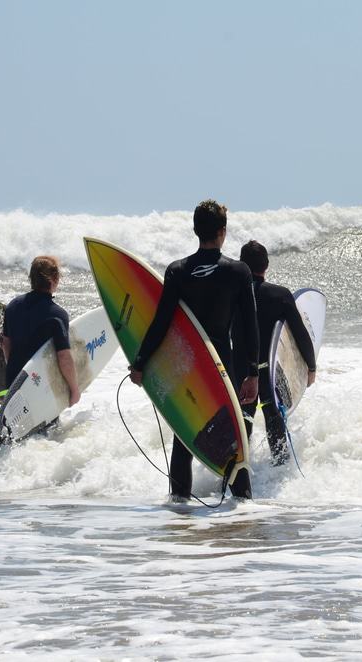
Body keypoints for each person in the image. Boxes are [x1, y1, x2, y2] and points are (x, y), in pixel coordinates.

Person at [129, 200, 259, 501]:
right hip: (222, 367)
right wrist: (252, 373)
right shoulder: (238, 272)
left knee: (183, 438)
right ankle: (243, 510)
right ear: (222, 232)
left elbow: (161, 324)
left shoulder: (177, 271)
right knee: (232, 443)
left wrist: (140, 362)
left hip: (188, 368)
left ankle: (180, 509)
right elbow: (249, 327)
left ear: (195, 231)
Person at [233, 240, 316, 466]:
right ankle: (277, 474)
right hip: (271, 370)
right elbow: (300, 334)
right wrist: (311, 366)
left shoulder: (232, 296)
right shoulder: (279, 295)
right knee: (274, 421)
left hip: (240, 371)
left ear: (242, 265)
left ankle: (236, 475)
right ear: (266, 265)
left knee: (242, 424)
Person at [2, 256, 80, 407]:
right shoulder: (57, 315)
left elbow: (6, 344)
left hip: (15, 380)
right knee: (48, 429)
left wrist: (15, 370)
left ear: (31, 278)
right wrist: (74, 389)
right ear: (55, 278)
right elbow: (64, 356)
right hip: (41, 384)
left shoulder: (13, 306)